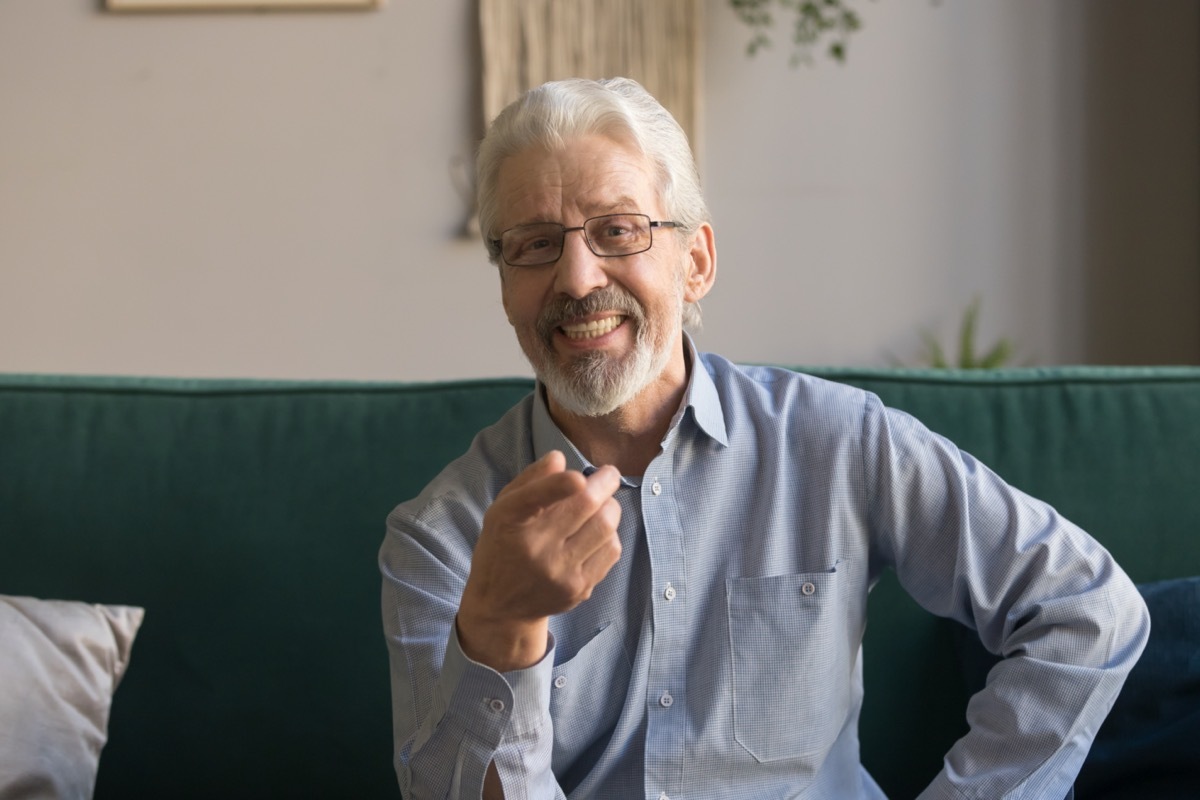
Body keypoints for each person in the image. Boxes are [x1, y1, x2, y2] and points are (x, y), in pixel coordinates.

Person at [379, 77, 1149, 799]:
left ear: (696, 262)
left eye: (618, 230)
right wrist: (500, 629)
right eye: (536, 244)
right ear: (506, 286)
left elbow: (1088, 610)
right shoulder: (441, 538)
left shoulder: (840, 443)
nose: (577, 278)